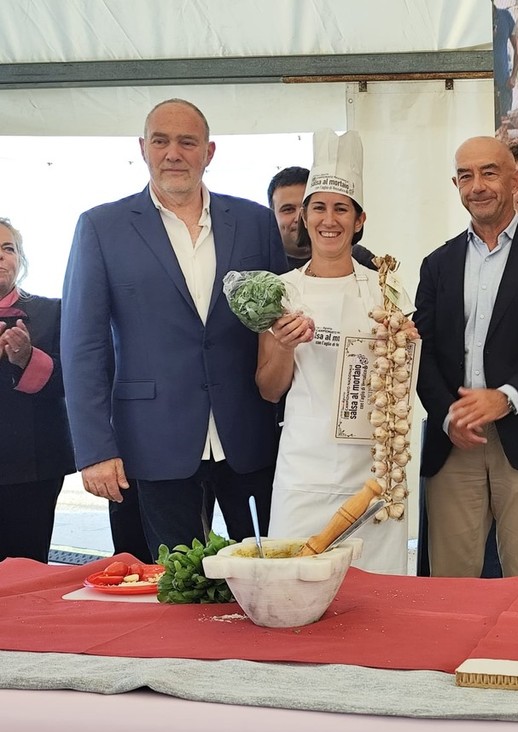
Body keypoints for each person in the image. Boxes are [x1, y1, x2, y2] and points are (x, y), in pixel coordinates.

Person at [62, 98, 287, 559]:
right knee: (175, 583)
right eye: (161, 141)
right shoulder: (102, 227)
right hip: (153, 439)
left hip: (249, 434)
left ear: (209, 151)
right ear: (142, 148)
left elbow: (281, 325)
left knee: (267, 574)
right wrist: (95, 449)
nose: (173, 154)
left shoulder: (255, 222)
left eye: (187, 142)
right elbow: (83, 347)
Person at [416, 136, 518, 578]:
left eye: (488, 172)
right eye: (466, 176)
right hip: (454, 440)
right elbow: (421, 353)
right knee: (451, 585)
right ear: (456, 185)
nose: (478, 186)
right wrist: (449, 415)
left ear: (513, 178)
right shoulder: (437, 264)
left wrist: (505, 397)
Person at [260, 131, 410, 575]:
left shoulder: (387, 288)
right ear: (304, 218)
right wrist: (284, 345)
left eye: (342, 209)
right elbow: (269, 389)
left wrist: (405, 342)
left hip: (374, 473)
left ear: (359, 220)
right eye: (319, 208)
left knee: (375, 592)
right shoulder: (281, 291)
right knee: (292, 581)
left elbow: (404, 381)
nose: (330, 220)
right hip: (303, 468)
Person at [0, 217, 75, 562]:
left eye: (8, 248)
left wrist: (28, 359)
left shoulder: (53, 311)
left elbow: (74, 381)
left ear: (21, 258)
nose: (1, 256)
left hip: (34, 467)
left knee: (28, 567)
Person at [267, 166, 377, 272]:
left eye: (317, 208)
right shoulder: (263, 268)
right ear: (271, 216)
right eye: (288, 209)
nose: (298, 217)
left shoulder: (361, 259)